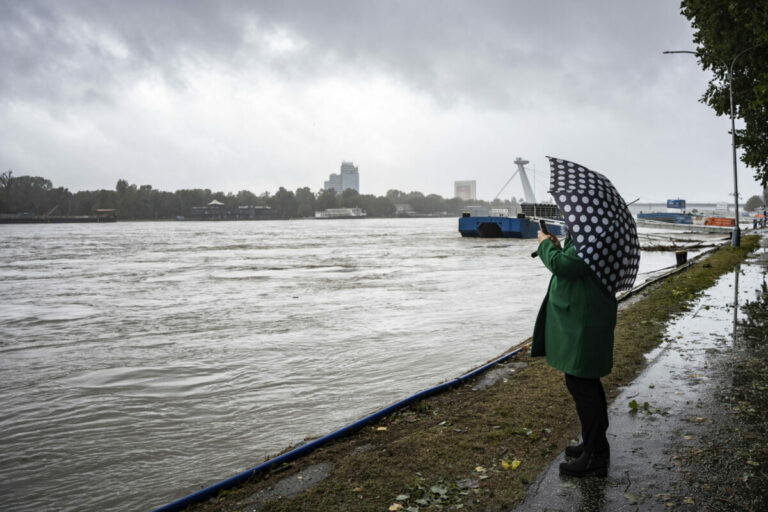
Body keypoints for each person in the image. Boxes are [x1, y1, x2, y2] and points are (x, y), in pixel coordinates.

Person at [531, 229, 618, 477]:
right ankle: (596, 445)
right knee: (586, 381)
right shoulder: (591, 234)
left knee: (582, 383)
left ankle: (595, 457)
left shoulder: (592, 236)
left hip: (584, 320)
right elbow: (571, 260)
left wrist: (545, 246)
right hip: (584, 316)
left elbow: (563, 265)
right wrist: (558, 245)